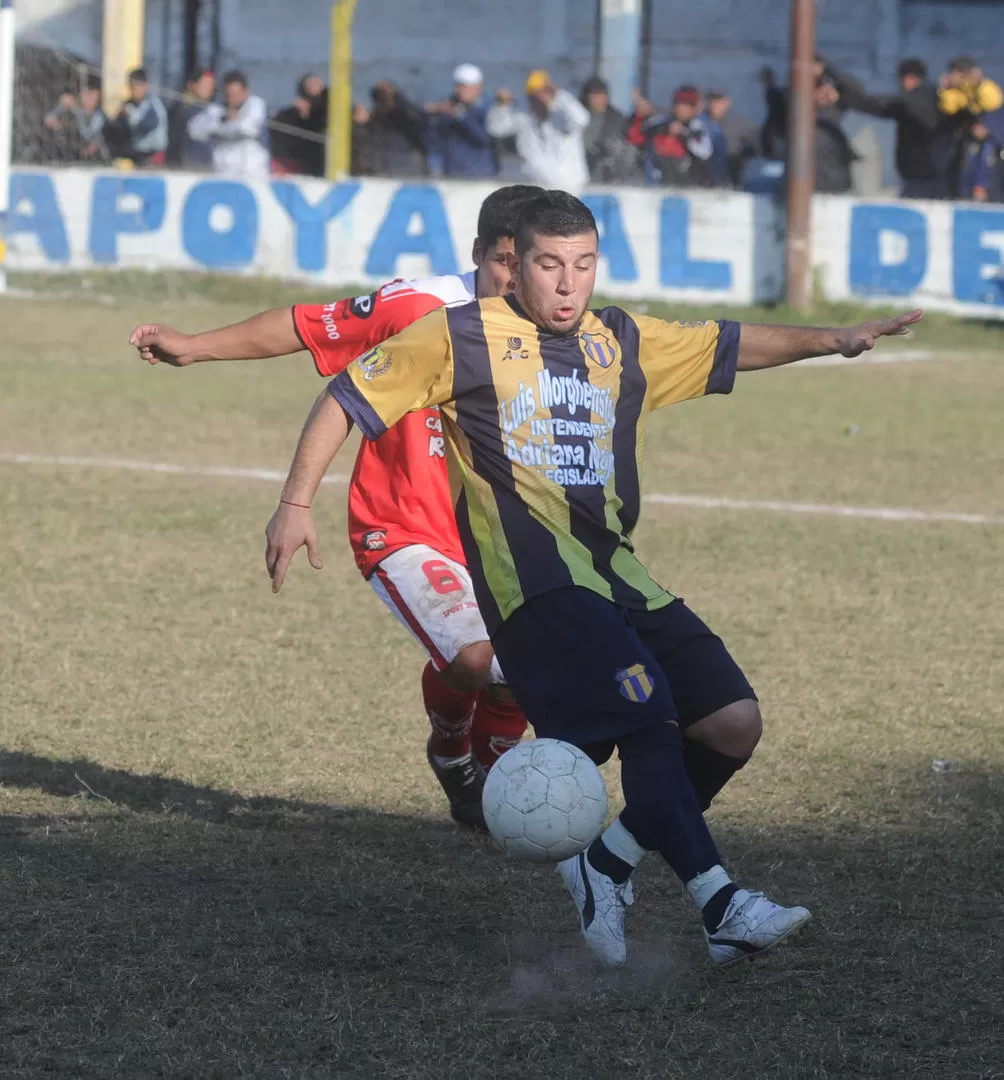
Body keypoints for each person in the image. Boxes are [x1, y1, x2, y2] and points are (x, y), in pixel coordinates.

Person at [263, 189, 923, 967]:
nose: (568, 284)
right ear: (518, 268)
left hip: (618, 576)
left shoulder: (621, 339)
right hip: (535, 587)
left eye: (583, 264)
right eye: (550, 265)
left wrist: (834, 337)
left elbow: (730, 344)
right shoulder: (461, 337)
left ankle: (603, 863)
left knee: (732, 724)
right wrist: (296, 502)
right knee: (648, 718)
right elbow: (348, 395)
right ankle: (721, 904)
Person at [129, 186, 543, 829]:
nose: (517, 280)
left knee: (524, 674)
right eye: (504, 263)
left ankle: (492, 782)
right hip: (403, 524)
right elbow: (302, 324)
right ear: (478, 253)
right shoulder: (418, 306)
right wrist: (195, 345)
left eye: (532, 264)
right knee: (473, 658)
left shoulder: (564, 329)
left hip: (502, 539)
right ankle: (452, 746)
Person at [829, 59, 952, 200]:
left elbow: (874, 105)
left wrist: (842, 90)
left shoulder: (911, 102)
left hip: (922, 180)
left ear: (907, 79)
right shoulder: (940, 100)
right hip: (936, 178)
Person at [486, 70, 590, 191]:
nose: (538, 99)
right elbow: (496, 129)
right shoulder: (524, 115)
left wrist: (559, 96)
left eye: (541, 93)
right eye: (533, 96)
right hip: (538, 189)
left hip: (572, 188)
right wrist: (501, 106)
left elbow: (581, 120)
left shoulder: (563, 112)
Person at [188, 70, 270, 179]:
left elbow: (247, 128)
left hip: (252, 173)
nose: (232, 98)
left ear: (246, 92)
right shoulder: (217, 108)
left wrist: (218, 128)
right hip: (222, 172)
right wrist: (222, 119)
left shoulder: (255, 104)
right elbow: (194, 131)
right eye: (228, 94)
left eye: (236, 94)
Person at [628, 86, 715, 187]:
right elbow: (636, 138)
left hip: (688, 187)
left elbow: (705, 153)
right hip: (657, 183)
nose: (680, 108)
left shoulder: (699, 128)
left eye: (686, 105)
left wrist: (683, 134)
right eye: (678, 103)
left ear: (695, 108)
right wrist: (640, 115)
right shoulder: (661, 122)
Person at [425, 64, 497, 179]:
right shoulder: (448, 107)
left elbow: (483, 138)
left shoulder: (488, 108)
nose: (460, 91)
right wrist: (431, 114)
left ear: (478, 88)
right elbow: (434, 138)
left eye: (465, 87)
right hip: (453, 172)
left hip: (480, 173)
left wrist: (460, 116)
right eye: (458, 86)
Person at [579, 75, 637, 184]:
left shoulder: (617, 119)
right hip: (581, 169)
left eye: (601, 95)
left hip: (608, 174)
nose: (598, 100)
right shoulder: (578, 116)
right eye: (594, 95)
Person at [366, 80, 428, 178]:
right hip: (383, 170)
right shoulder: (374, 122)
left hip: (406, 169)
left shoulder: (406, 117)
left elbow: (416, 118)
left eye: (387, 96)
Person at [271, 74, 328, 177]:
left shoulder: (326, 106)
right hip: (300, 160)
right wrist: (296, 114)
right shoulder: (291, 113)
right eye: (311, 84)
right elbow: (278, 131)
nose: (315, 86)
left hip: (321, 159)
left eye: (317, 84)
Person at [44, 76, 107, 163]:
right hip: (69, 155)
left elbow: (92, 135)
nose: (89, 98)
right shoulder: (74, 111)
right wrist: (63, 107)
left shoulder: (101, 115)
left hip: (95, 158)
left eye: (93, 94)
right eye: (86, 94)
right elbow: (49, 119)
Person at [114, 68, 169, 167]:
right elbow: (119, 129)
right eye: (132, 87)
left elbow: (148, 126)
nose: (135, 91)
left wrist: (130, 115)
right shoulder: (129, 104)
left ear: (145, 86)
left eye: (137, 87)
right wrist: (120, 117)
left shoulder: (154, 103)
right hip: (138, 154)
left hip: (154, 155)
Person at [166, 67, 217, 170]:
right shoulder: (181, 109)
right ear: (192, 85)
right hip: (187, 167)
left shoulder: (210, 109)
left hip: (206, 166)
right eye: (205, 85)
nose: (209, 89)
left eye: (211, 86)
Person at [705, 90, 758, 188]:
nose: (714, 105)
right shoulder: (700, 122)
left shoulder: (740, 124)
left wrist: (742, 158)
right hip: (704, 175)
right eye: (711, 101)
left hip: (731, 174)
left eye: (719, 102)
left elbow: (754, 147)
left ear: (727, 102)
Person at [959, 119, 1003, 202]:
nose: (979, 130)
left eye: (982, 127)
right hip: (967, 192)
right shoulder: (967, 144)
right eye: (976, 127)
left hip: (991, 193)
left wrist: (982, 186)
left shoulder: (994, 146)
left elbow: (988, 168)